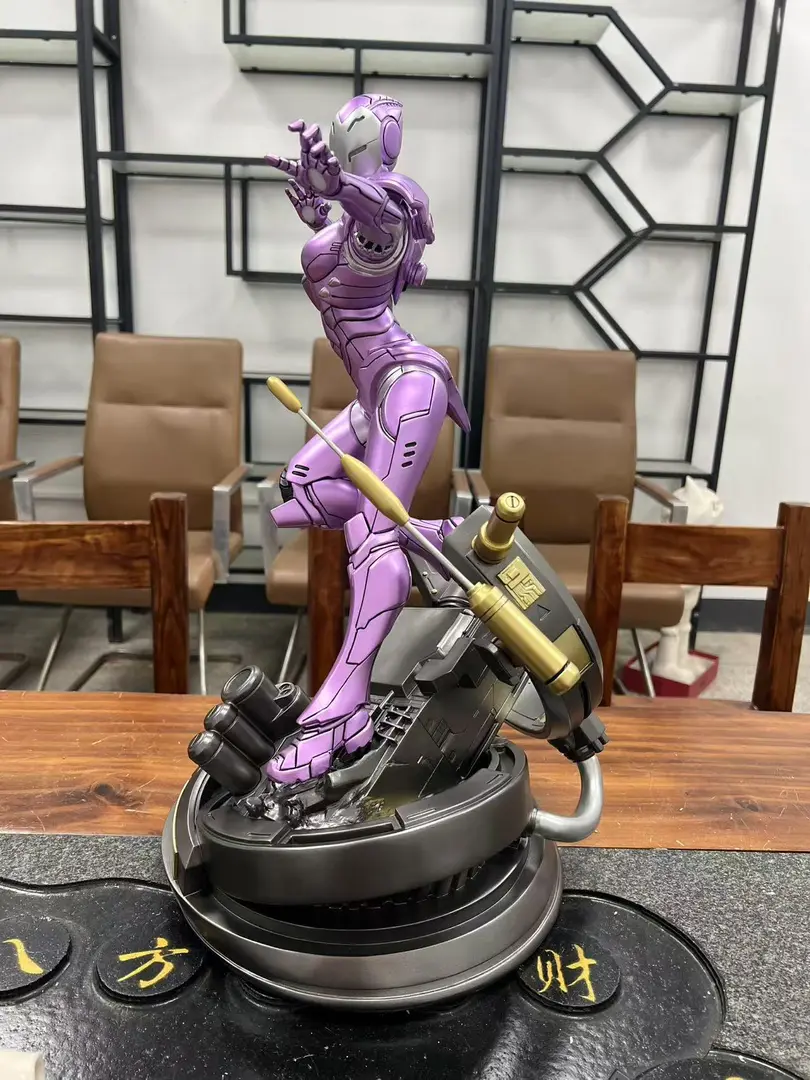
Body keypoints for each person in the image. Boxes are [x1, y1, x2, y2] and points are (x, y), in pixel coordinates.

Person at [264, 94, 469, 784]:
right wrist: (321, 214)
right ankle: (437, 537)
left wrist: (340, 190)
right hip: (369, 395)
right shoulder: (348, 222)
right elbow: (354, 237)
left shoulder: (390, 205)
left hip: (407, 382)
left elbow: (381, 218)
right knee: (297, 490)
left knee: (372, 540)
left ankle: (338, 711)